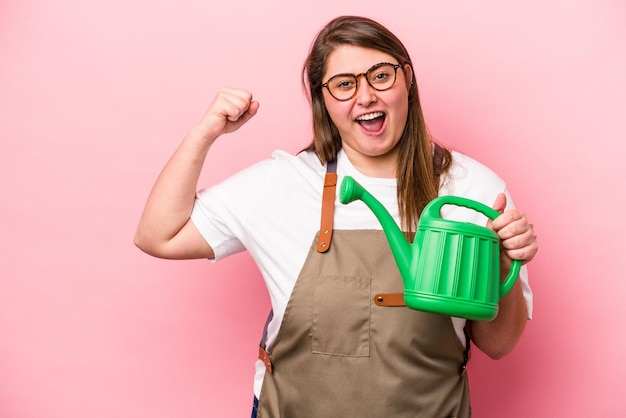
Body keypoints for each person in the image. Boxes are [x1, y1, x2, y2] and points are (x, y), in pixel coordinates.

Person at [135, 15, 538, 418]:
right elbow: (159, 236)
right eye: (344, 84)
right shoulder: (284, 184)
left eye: (380, 75)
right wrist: (204, 133)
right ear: (322, 99)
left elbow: (499, 345)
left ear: (407, 79)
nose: (365, 97)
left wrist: (504, 261)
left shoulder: (473, 191)